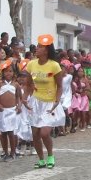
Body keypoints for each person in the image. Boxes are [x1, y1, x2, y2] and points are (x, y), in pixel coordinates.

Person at [25, 34, 64, 169]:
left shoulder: (54, 66)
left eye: (40, 47)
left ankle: (50, 155)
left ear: (46, 50)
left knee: (44, 133)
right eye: (37, 46)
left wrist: (57, 100)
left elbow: (59, 86)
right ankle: (41, 159)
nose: (37, 48)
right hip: (36, 102)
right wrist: (25, 98)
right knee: (35, 134)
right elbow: (28, 84)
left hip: (50, 104)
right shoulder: (31, 65)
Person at [0, 61, 20, 160]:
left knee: (11, 132)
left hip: (12, 111)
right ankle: (5, 151)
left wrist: (19, 106)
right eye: (6, 71)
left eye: (10, 71)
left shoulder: (16, 84)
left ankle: (13, 152)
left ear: (14, 73)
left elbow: (18, 97)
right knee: (3, 132)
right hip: (2, 111)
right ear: (3, 72)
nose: (8, 73)